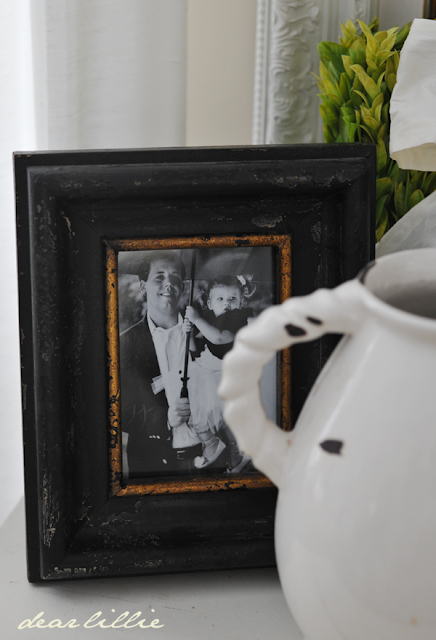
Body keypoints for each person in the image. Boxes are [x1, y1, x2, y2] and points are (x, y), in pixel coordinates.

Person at [119, 250, 209, 479]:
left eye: (175, 277)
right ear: (143, 286)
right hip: (152, 462)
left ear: (183, 286)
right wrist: (165, 419)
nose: (169, 283)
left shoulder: (204, 334)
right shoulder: (125, 343)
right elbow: (120, 409)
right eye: (159, 277)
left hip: (206, 459)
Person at [185, 275, 255, 473]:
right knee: (218, 420)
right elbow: (195, 348)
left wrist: (196, 319)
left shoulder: (237, 319)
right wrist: (189, 332)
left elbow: (218, 338)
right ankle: (233, 454)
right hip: (208, 370)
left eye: (232, 299)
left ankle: (215, 446)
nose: (226, 304)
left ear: (240, 302)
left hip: (226, 374)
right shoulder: (211, 319)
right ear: (209, 303)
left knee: (215, 418)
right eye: (220, 299)